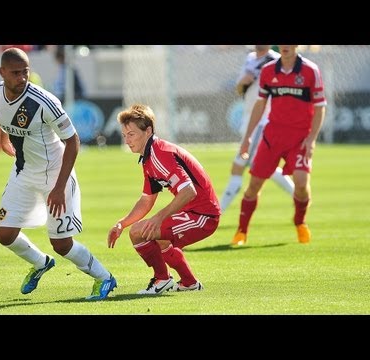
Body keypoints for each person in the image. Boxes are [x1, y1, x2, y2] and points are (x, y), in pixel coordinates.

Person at [0, 47, 116, 300]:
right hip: (23, 172)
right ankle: (39, 263)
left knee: (62, 244)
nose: (22, 78)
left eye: (25, 72)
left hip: (55, 174)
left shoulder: (44, 101)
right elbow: (2, 113)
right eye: (15, 73)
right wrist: (4, 137)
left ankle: (105, 277)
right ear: (2, 73)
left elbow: (73, 141)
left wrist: (58, 188)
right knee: (4, 234)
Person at [107, 104, 221, 294]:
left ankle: (162, 279)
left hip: (203, 216)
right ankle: (189, 283)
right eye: (125, 135)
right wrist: (121, 223)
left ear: (148, 131)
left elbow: (189, 192)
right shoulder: (149, 157)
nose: (127, 140)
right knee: (155, 237)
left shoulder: (161, 153)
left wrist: (158, 217)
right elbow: (146, 200)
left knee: (139, 232)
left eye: (132, 134)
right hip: (192, 212)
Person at [231, 45, 327, 246]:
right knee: (254, 185)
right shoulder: (268, 70)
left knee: (301, 185)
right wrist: (248, 137)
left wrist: (311, 140)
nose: (285, 46)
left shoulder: (310, 70)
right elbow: (260, 105)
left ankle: (300, 222)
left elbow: (319, 108)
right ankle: (241, 231)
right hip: (272, 137)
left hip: (299, 138)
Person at [220, 45, 294, 213]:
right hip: (249, 119)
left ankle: (218, 212)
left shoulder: (276, 60)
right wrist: (244, 82)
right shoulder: (250, 59)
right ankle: (299, 195)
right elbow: (240, 89)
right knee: (264, 166)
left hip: (264, 121)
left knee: (238, 166)